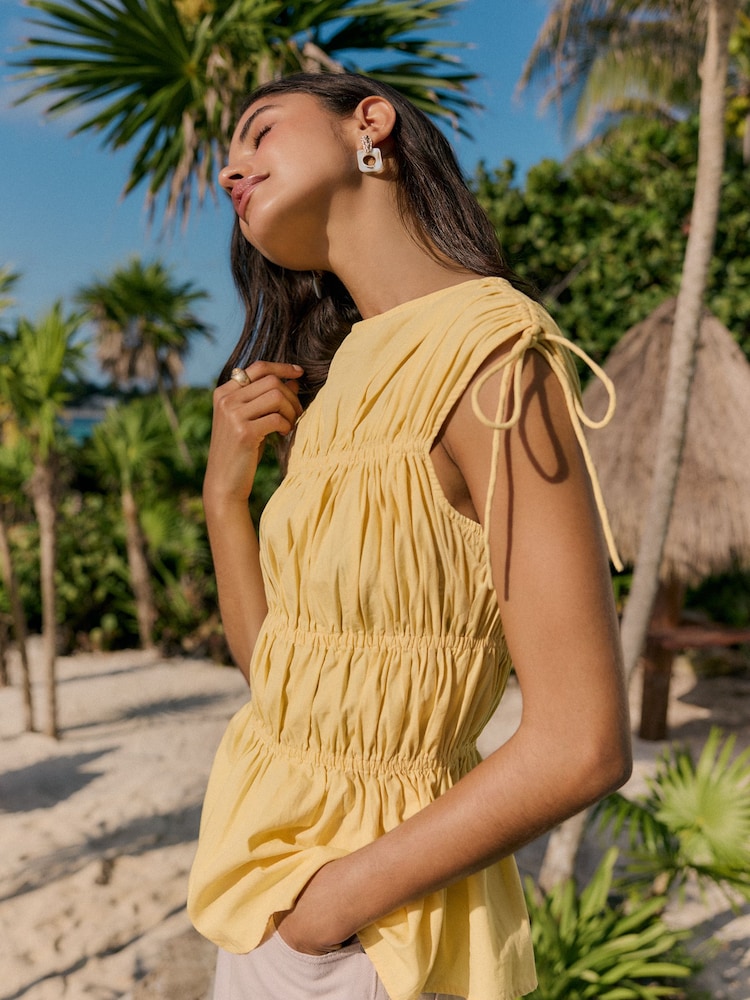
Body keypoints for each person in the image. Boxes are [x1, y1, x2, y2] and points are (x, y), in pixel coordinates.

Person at [187, 72, 632, 1000]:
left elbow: (580, 741)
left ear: (371, 125)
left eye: (258, 131)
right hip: (269, 895)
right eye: (228, 158)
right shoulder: (344, 371)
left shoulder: (492, 353)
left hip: (373, 927)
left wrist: (330, 910)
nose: (230, 169)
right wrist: (225, 500)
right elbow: (287, 688)